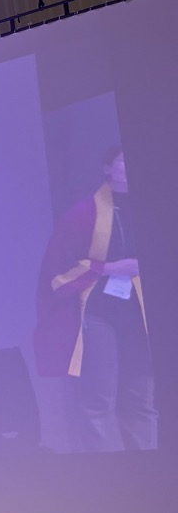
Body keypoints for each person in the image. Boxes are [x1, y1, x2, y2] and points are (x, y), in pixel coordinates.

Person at [34, 147, 157, 451]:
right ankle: (109, 470)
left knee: (141, 399)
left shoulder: (152, 209)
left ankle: (147, 465)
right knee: (99, 402)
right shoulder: (84, 213)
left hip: (138, 315)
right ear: (107, 169)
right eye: (123, 161)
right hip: (98, 315)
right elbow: (58, 271)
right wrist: (112, 268)